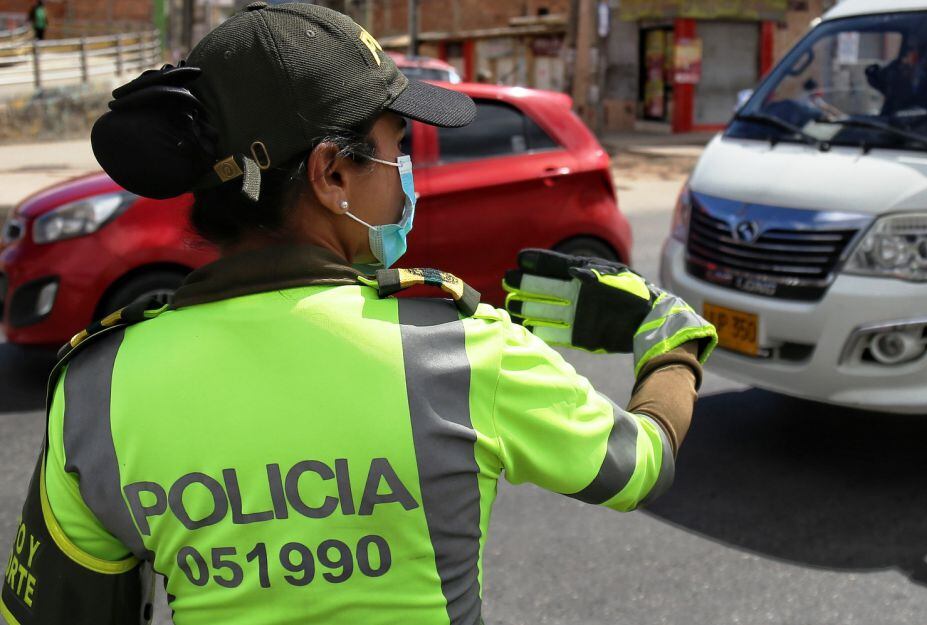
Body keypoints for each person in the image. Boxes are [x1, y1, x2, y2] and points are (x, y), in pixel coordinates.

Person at [0, 3, 717, 625]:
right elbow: (638, 463)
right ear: (330, 173)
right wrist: (671, 341)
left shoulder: (96, 389)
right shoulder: (460, 349)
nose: (404, 173)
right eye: (393, 147)